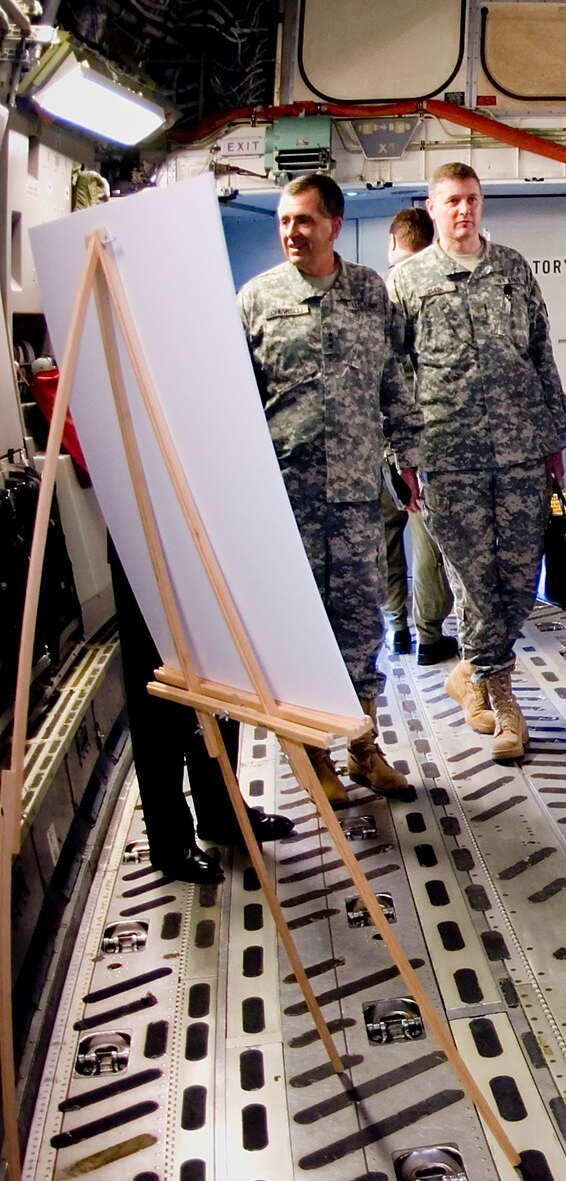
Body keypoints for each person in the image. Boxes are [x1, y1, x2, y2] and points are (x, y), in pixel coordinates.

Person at [237, 172, 418, 800]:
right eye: (285, 220)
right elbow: (238, 399)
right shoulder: (257, 299)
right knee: (300, 625)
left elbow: (394, 382)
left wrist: (410, 456)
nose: (292, 231)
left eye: (304, 220)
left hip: (354, 494)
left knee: (360, 624)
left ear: (334, 224)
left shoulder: (370, 293)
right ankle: (312, 751)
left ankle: (364, 747)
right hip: (286, 497)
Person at [390, 162, 566, 763]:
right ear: (432, 208)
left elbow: (542, 353)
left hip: (520, 452)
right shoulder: (409, 282)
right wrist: (401, 455)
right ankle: (504, 701)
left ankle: (469, 673)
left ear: (482, 203)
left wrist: (554, 439)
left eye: (472, 199)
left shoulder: (512, 269)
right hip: (448, 458)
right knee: (472, 579)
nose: (464, 211)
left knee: (519, 580)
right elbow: (393, 376)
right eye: (452, 202)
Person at [113, 550, 293, 882]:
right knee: (155, 686)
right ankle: (169, 841)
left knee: (218, 677)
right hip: (139, 536)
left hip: (200, 537)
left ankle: (221, 812)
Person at [377, 205, 458, 667]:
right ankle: (429, 635)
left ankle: (396, 628)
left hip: (374, 441)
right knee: (425, 535)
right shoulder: (432, 291)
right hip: (421, 440)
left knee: (386, 536)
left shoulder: (374, 294)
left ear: (393, 243)